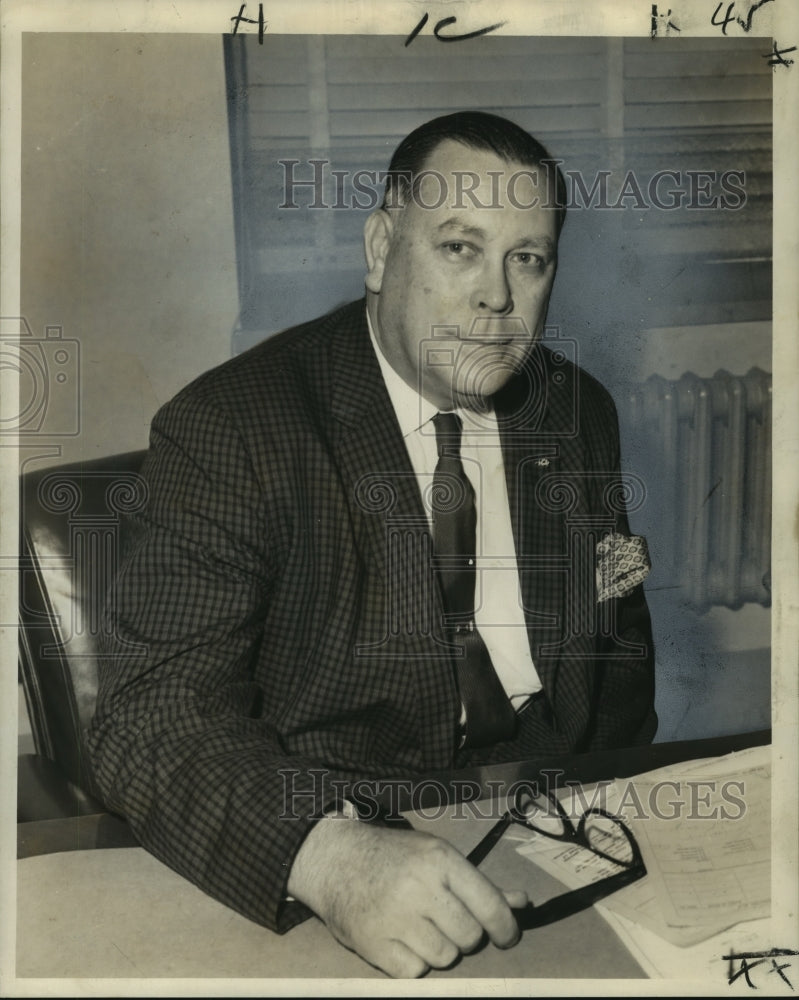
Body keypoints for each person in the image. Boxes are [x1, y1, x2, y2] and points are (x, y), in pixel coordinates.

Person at [88, 111, 656, 978]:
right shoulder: (235, 427)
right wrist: (327, 857)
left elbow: (614, 662)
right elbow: (148, 714)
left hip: (552, 832)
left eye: (527, 258)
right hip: (346, 840)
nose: (496, 298)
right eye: (460, 248)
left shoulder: (575, 410)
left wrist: (630, 804)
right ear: (382, 246)